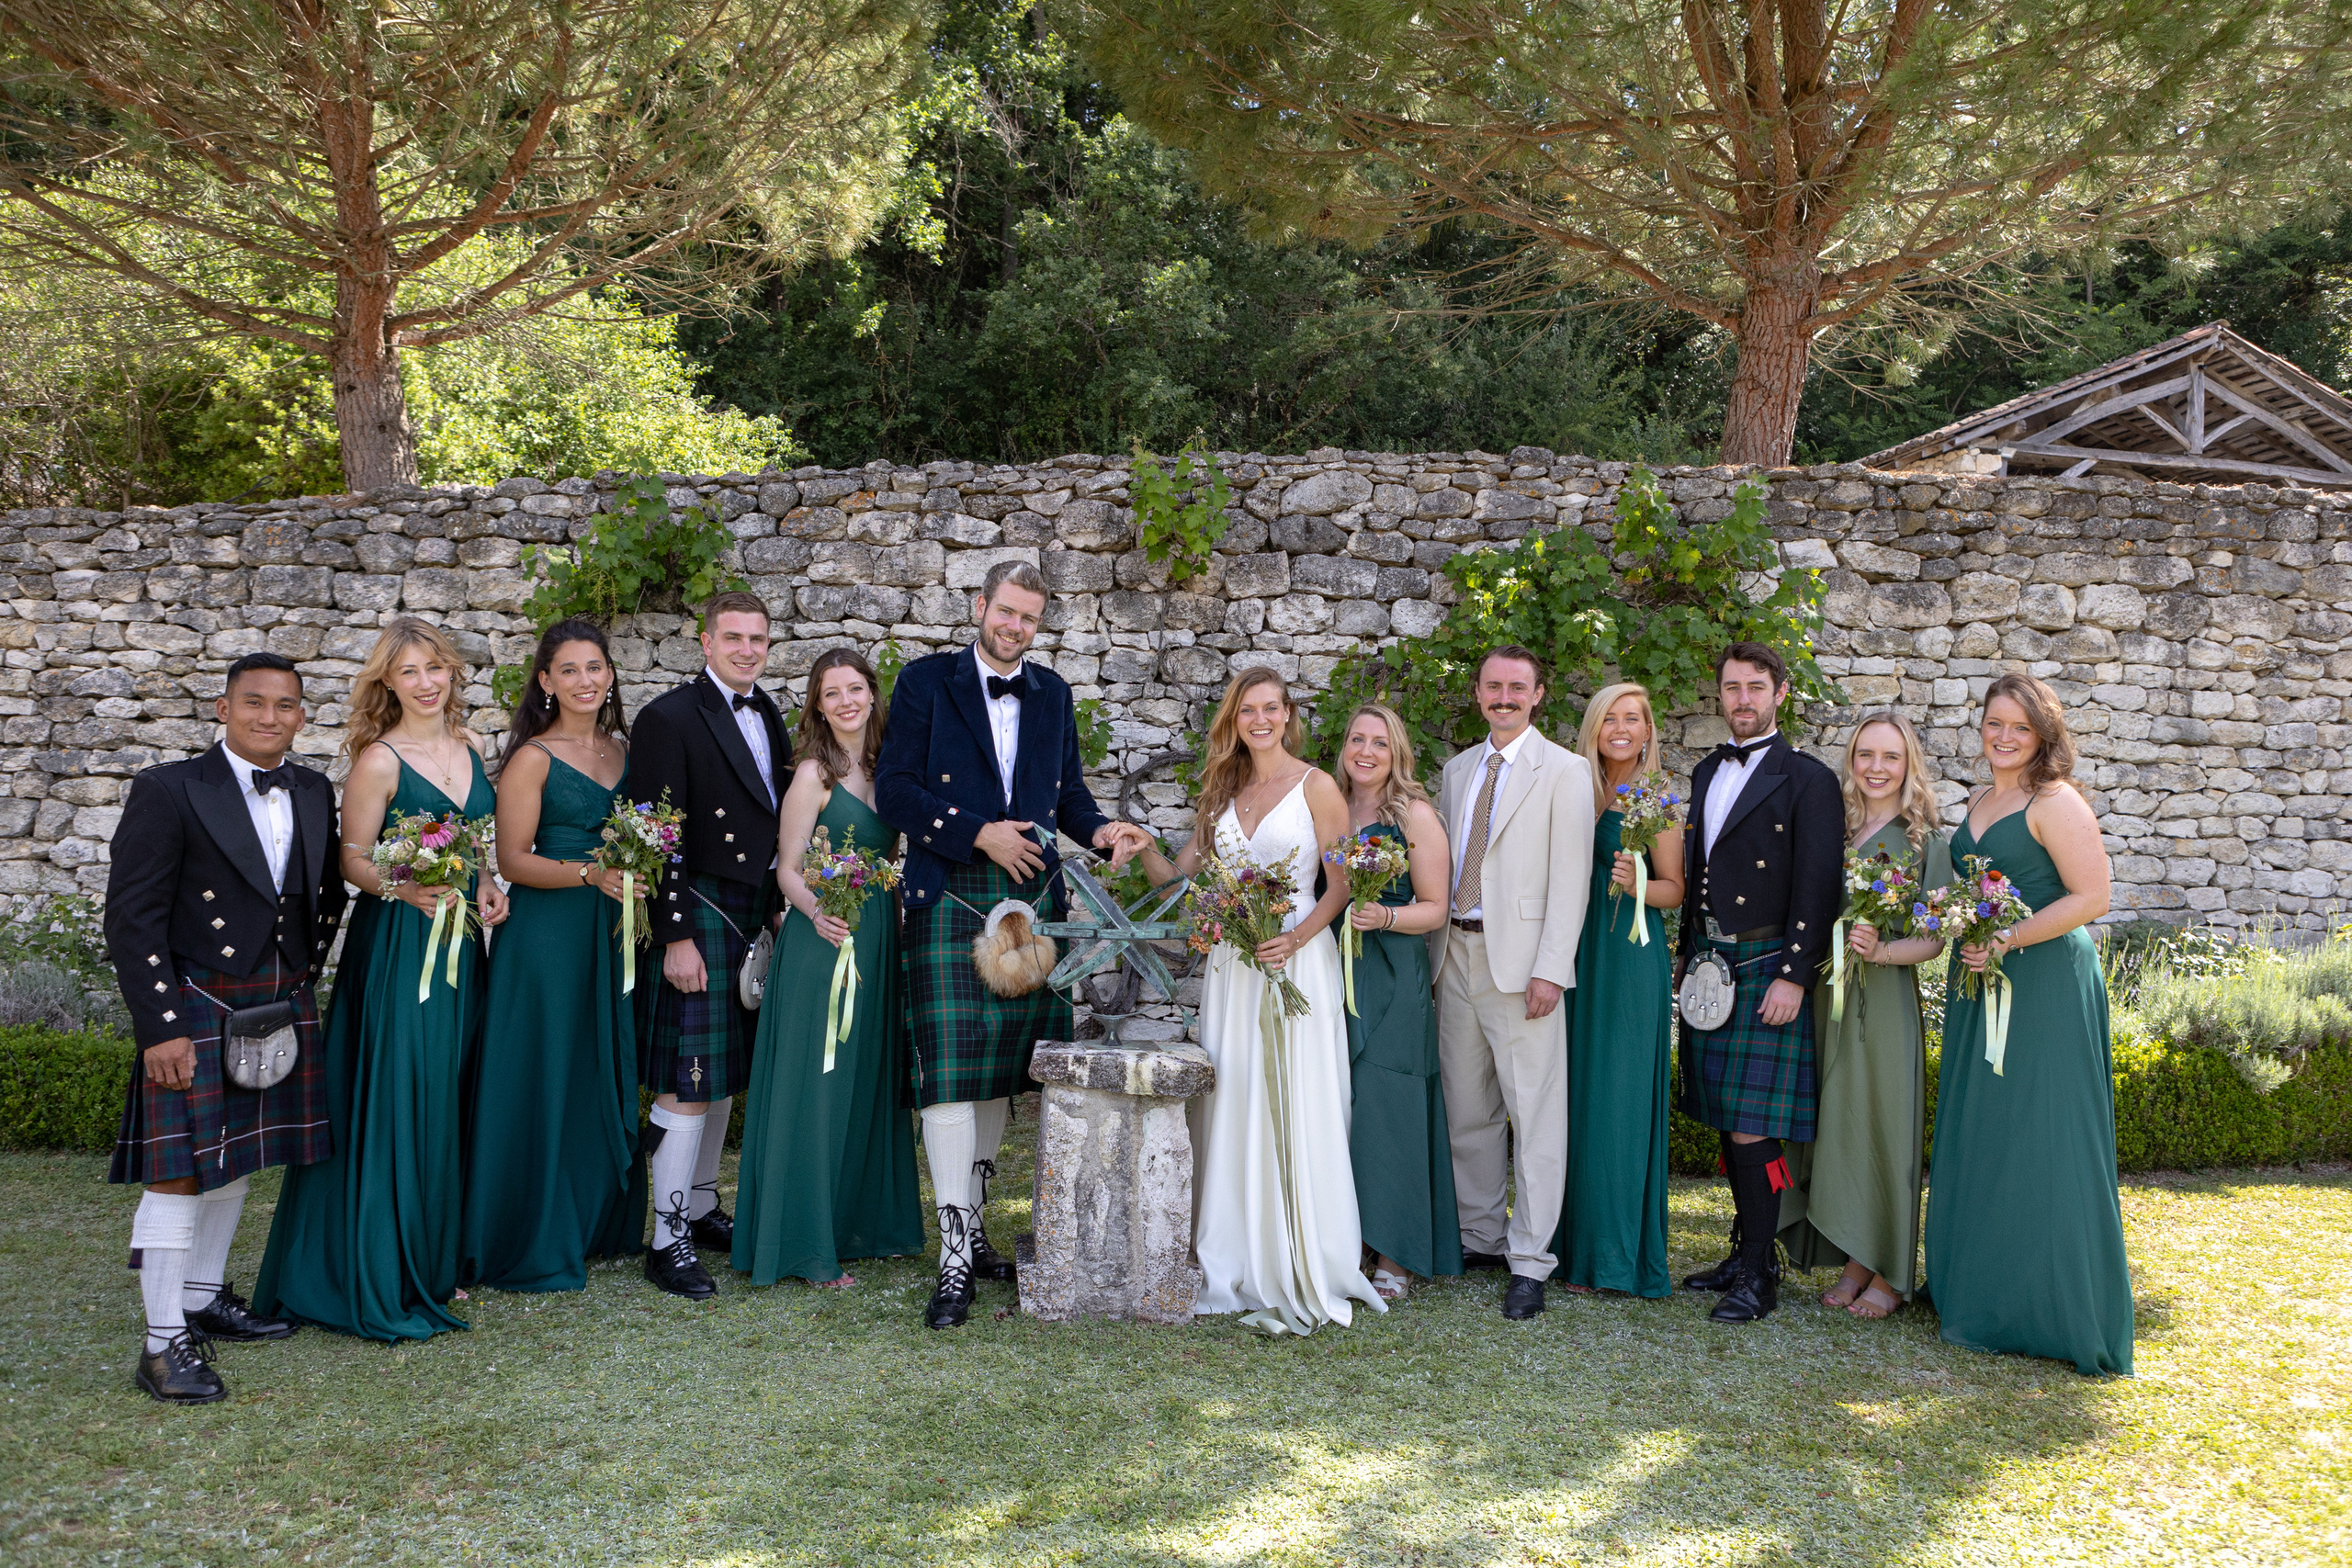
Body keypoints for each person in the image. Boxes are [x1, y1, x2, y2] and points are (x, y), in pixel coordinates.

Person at [876, 558, 1153, 1329]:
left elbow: (1069, 798)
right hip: (948, 892)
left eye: (1028, 617)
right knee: (949, 1076)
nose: (1015, 626)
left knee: (998, 1070)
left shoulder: (1053, 693)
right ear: (980, 606)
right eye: (1005, 611)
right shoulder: (925, 682)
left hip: (1032, 899)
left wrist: (1104, 832)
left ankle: (976, 1229)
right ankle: (952, 1257)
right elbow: (895, 789)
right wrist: (978, 833)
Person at [102, 652, 350, 1403]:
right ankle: (161, 1344)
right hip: (198, 1002)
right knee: (180, 1168)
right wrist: (161, 1026)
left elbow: (325, 892)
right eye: (254, 702)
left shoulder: (312, 788)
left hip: (276, 997)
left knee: (236, 1154)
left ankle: (202, 1296)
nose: (270, 716)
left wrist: (299, 976)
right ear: (223, 708)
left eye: (285, 704)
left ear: (302, 715)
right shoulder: (169, 788)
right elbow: (133, 916)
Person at [255, 618, 508, 1341]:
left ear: (451, 671)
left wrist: (486, 883)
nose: (426, 682)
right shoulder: (380, 760)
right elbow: (353, 858)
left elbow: (473, 841)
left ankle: (431, 1256)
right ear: (388, 683)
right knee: (403, 1093)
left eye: (435, 667)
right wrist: (405, 888)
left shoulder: (470, 746)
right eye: (409, 672)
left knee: (448, 1090)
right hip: (400, 945)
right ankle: (380, 1263)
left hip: (461, 943)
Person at [1138, 669, 1383, 1335]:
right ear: (1234, 719)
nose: (1261, 719)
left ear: (1288, 714)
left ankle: (1302, 1250)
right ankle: (1233, 1250)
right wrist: (1145, 849)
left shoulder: (1317, 786)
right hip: (1234, 964)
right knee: (1235, 1092)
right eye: (1248, 709)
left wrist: (1296, 938)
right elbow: (1178, 880)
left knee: (1297, 1096)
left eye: (1272, 707)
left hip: (1295, 953)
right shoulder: (1221, 792)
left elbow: (1340, 885)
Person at [1926, 674, 2133, 1376]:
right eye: (1995, 723)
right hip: (1980, 983)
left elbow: (2093, 895)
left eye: (2019, 726)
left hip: (2042, 985)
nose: (2005, 736)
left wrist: (2009, 937)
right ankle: (1985, 1292)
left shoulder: (2055, 800)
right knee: (1989, 1131)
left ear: (2043, 733)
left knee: (2045, 1133)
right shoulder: (1981, 800)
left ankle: (2055, 1309)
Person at [458, 620, 643, 1293]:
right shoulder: (533, 758)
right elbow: (512, 860)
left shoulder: (624, 751)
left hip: (610, 928)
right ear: (545, 681)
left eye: (595, 667)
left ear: (611, 674)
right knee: (545, 1069)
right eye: (569, 669)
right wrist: (591, 874)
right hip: (547, 935)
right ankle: (527, 1230)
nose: (585, 680)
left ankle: (592, 1221)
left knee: (592, 1064)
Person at [730, 649, 925, 1288]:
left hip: (878, 937)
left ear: (873, 694)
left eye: (855, 689)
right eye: (831, 692)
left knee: (865, 1077)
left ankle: (857, 1224)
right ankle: (803, 1244)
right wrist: (817, 913)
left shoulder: (893, 766)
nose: (846, 702)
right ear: (817, 704)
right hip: (824, 938)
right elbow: (787, 868)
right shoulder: (814, 773)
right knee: (818, 1083)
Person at [627, 591, 795, 1298]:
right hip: (697, 911)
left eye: (758, 638)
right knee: (687, 1077)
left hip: (749, 910)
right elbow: (656, 833)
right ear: (705, 641)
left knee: (722, 1073)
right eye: (734, 637)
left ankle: (698, 1208)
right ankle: (666, 1240)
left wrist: (776, 905)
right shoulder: (667, 717)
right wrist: (674, 935)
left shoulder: (770, 712)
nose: (747, 649)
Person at [1675, 640, 1843, 1325]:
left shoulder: (1808, 779)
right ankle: (1743, 1251)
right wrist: (1686, 954)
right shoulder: (1705, 770)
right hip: (1712, 961)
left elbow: (1818, 884)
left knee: (1753, 1125)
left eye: (1755, 687)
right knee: (1726, 1113)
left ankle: (1759, 1271)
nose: (1742, 699)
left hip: (1765, 960)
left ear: (1780, 693)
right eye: (1732, 687)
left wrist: (1793, 974)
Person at [1431, 647, 1596, 1321]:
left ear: (1538, 694)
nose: (1504, 696)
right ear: (1478, 693)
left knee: (1534, 1115)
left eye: (1517, 687)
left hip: (1524, 965)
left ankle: (1530, 1260)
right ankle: (1480, 1236)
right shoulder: (1457, 770)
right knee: (1468, 1108)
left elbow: (1571, 877)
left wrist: (1551, 969)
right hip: (1455, 953)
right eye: (1493, 685)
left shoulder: (1565, 770)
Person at [1779, 711, 1951, 1319]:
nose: (1877, 768)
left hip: (1882, 1001)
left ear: (1909, 766)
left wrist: (1881, 951)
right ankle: (1853, 1261)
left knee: (1880, 1125)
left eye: (1891, 756)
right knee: (1837, 1122)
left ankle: (1888, 1272)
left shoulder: (1924, 841)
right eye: (1865, 755)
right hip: (1826, 996)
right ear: (1851, 761)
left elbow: (1934, 938)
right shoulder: (1838, 828)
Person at [1548, 682, 1683, 1299]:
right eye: (1610, 719)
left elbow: (1676, 889)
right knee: (1576, 1097)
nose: (1621, 729)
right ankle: (1569, 1246)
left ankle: (1613, 1256)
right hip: (1576, 952)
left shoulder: (1656, 798)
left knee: (1618, 1100)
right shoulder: (1577, 787)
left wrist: (1638, 884)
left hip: (1628, 957)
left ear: (1648, 729)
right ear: (1594, 729)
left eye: (1633, 718)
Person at [1332, 702, 1460, 1301]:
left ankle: (1396, 1253)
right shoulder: (1330, 806)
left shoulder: (1413, 814)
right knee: (1347, 1109)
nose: (1366, 751)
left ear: (1397, 752)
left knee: (1393, 1107)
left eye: (1379, 742)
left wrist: (1384, 915)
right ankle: (1352, 1237)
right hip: (1334, 972)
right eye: (1358, 739)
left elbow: (1436, 908)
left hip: (1393, 975)